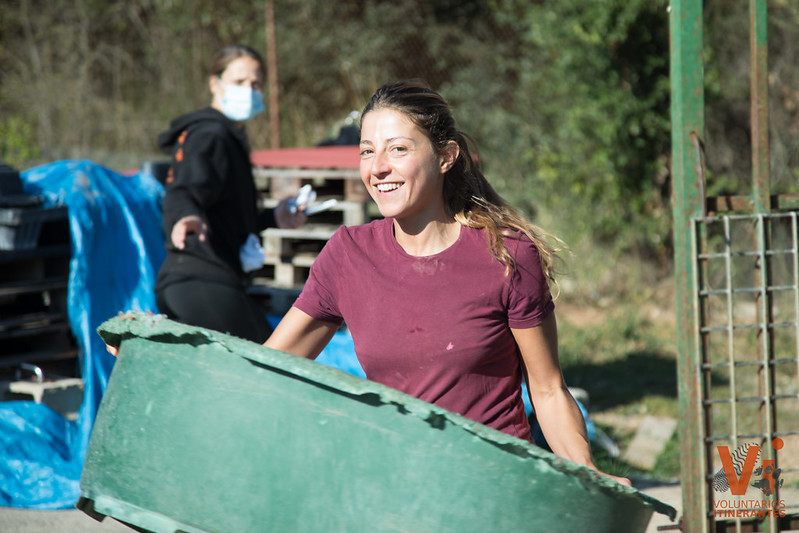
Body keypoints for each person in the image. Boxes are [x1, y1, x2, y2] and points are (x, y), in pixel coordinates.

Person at [265, 80, 629, 485]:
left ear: (446, 157)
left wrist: (588, 471)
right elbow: (269, 368)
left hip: (493, 486)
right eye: (367, 151)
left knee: (717, 496)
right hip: (397, 490)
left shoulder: (506, 255)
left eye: (398, 149)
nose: (377, 166)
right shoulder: (348, 255)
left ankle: (720, 500)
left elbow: (546, 390)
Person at [154, 44, 306, 344]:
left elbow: (228, 215)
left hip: (189, 285)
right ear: (215, 84)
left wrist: (273, 217)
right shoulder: (211, 135)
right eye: (239, 82)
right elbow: (184, 189)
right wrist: (185, 214)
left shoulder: (228, 138)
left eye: (255, 84)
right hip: (202, 281)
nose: (249, 90)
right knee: (275, 363)